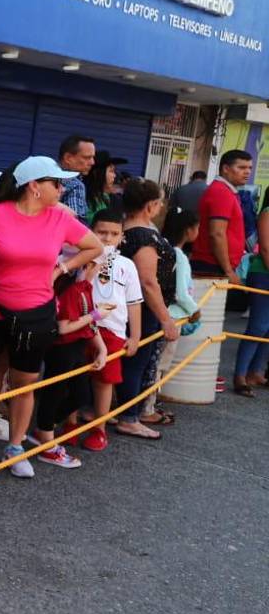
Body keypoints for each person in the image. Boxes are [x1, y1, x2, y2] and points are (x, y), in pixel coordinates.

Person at [0, 156, 102, 478]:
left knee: (24, 383)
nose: (62, 188)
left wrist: (62, 268)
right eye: (56, 183)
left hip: (37, 314)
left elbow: (94, 246)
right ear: (34, 186)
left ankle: (15, 447)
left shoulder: (60, 217)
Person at [73, 209, 143, 452]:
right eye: (101, 232)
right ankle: (70, 424)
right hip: (79, 327)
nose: (107, 238)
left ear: (122, 236)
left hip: (112, 330)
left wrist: (135, 336)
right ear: (91, 232)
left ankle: (99, 429)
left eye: (114, 234)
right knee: (74, 376)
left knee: (104, 381)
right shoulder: (80, 257)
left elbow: (134, 302)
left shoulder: (127, 265)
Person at [114, 178, 178, 440]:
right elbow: (148, 282)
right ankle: (129, 417)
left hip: (122, 305)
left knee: (123, 359)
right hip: (143, 309)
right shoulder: (145, 236)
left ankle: (110, 410)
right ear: (150, 205)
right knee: (136, 362)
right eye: (159, 201)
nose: (161, 206)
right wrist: (166, 319)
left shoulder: (121, 230)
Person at [33, 268, 107, 467]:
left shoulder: (85, 287)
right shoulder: (71, 288)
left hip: (77, 347)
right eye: (93, 263)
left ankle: (43, 429)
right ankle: (46, 442)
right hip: (61, 348)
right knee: (54, 393)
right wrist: (95, 315)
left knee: (81, 395)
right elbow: (64, 327)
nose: (97, 268)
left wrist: (102, 348)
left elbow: (88, 320)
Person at [147, 207, 201, 415]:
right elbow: (181, 292)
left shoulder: (163, 248)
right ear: (189, 230)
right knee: (160, 364)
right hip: (173, 318)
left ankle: (148, 405)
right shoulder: (179, 256)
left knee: (155, 363)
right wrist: (195, 311)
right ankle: (148, 407)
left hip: (162, 314)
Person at [191, 149, 253, 284]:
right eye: (241, 167)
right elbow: (217, 233)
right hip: (212, 266)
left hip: (217, 265)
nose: (247, 172)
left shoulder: (227, 191)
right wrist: (228, 271)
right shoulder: (221, 192)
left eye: (249, 168)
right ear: (225, 168)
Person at [233, 188, 269, 395]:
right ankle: (240, 375)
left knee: (267, 327)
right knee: (258, 325)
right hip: (263, 273)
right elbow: (264, 248)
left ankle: (256, 371)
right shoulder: (266, 213)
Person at [58, 135, 96, 218]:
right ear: (68, 158)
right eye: (87, 157)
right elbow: (74, 223)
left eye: (93, 157)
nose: (92, 162)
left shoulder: (43, 178)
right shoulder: (76, 185)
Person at [84, 151, 127, 221]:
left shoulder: (113, 200)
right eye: (111, 171)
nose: (114, 175)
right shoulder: (83, 198)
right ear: (97, 173)